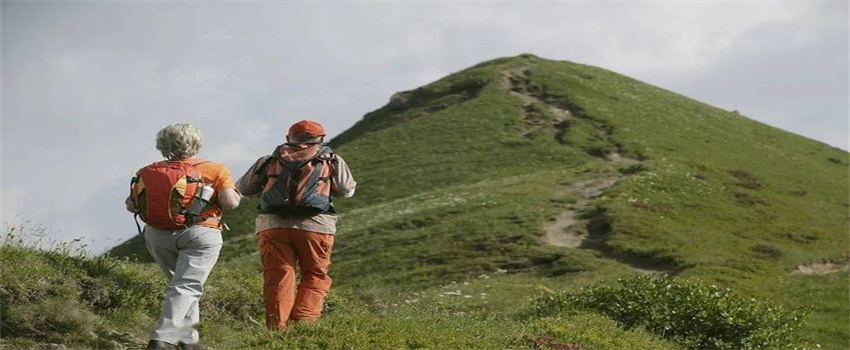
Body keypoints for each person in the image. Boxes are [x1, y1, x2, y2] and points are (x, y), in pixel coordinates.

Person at [125, 124, 241, 350]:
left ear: (162, 145)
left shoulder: (147, 171)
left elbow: (131, 206)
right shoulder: (215, 169)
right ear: (197, 143)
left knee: (182, 286)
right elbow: (230, 203)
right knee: (186, 287)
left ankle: (189, 341)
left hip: (157, 235)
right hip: (200, 233)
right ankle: (162, 339)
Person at [235, 120, 356, 331]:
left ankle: (277, 330)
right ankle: (303, 328)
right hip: (316, 225)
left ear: (289, 138)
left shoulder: (268, 160)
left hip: (273, 225)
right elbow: (346, 191)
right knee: (315, 276)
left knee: (279, 276)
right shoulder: (331, 160)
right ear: (321, 139)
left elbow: (243, 189)